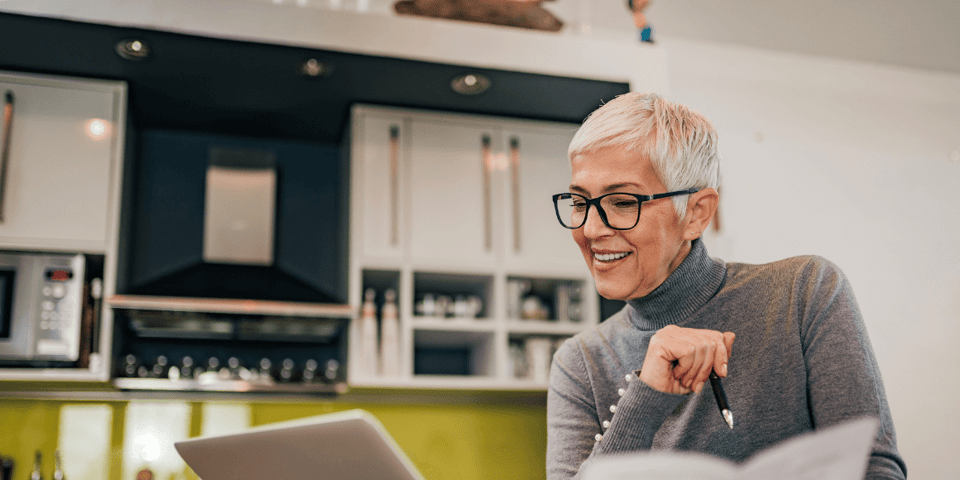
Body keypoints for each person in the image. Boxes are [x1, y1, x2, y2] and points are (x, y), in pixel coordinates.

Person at [546, 92, 906, 479]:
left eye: (622, 202)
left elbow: (874, 469)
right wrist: (646, 396)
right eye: (580, 202)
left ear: (696, 214)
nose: (591, 229)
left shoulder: (804, 293)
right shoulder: (580, 362)